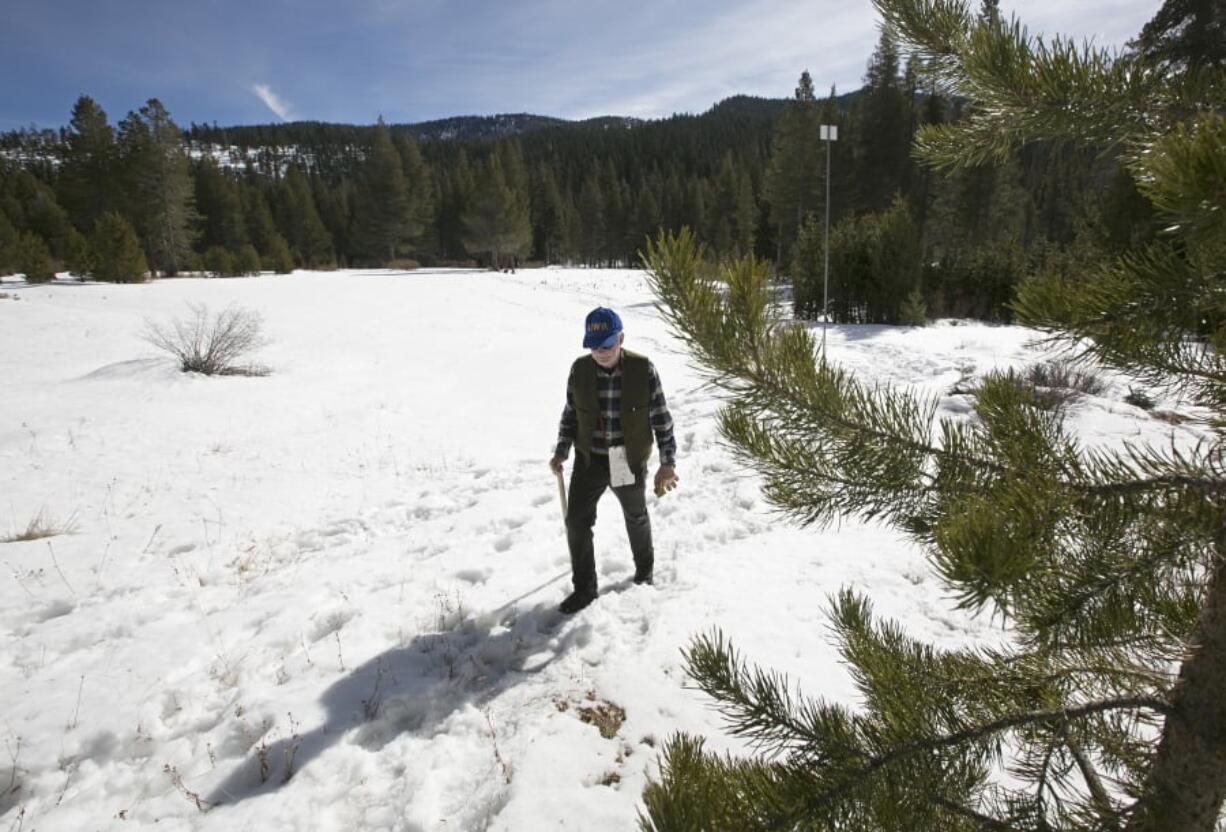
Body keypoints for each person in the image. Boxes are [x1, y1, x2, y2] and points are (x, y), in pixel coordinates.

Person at [550, 307, 678, 614]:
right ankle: (584, 588)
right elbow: (571, 413)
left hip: (623, 458)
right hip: (590, 458)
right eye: (594, 346)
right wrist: (562, 449)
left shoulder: (642, 370)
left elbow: (661, 419)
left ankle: (644, 572)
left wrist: (667, 461)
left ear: (621, 338)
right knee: (577, 522)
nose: (601, 352)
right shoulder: (579, 370)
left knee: (635, 516)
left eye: (607, 345)